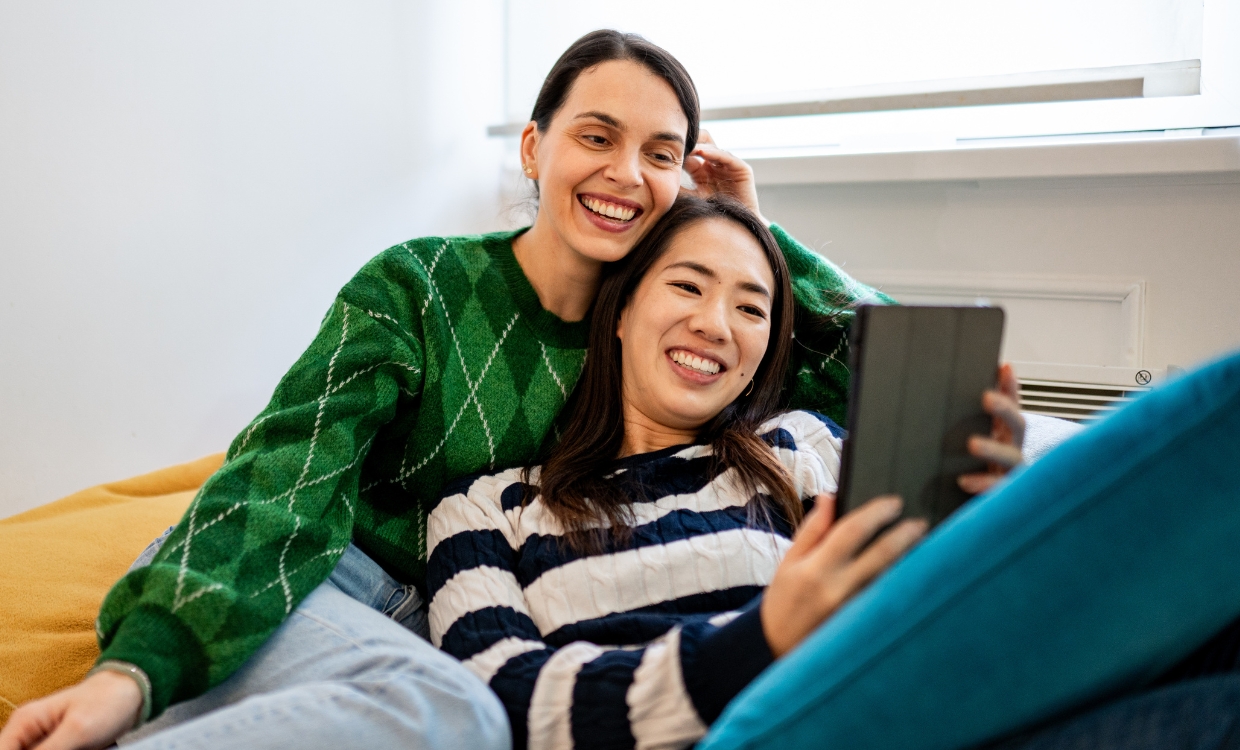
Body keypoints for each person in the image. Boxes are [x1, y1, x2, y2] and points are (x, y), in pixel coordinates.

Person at [0, 31, 889, 750]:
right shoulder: (418, 284)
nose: (627, 172)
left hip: (439, 621)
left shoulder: (657, 330)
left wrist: (759, 229)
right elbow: (285, 476)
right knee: (454, 714)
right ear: (535, 149)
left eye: (662, 153)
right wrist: (135, 671)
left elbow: (887, 377)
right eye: (596, 137)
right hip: (306, 576)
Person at [426, 194, 1240, 750]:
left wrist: (977, 513)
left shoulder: (804, 449)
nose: (717, 324)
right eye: (687, 285)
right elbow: (504, 704)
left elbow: (919, 605)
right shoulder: (487, 510)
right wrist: (761, 638)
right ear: (622, 311)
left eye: (752, 307)